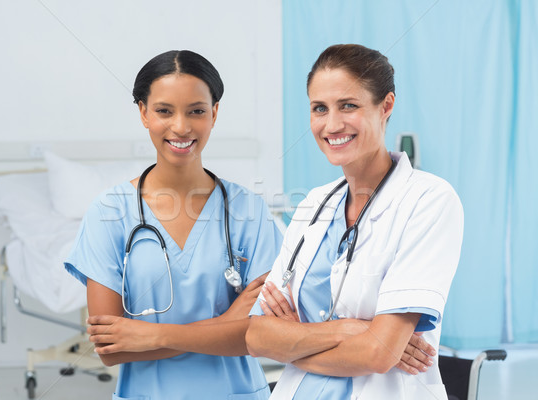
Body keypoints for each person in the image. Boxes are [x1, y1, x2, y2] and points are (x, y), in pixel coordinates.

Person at [245, 44, 464, 399]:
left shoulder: (429, 201)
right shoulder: (313, 205)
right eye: (320, 108)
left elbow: (379, 354)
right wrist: (351, 329)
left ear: (386, 106)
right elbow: (256, 338)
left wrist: (294, 341)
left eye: (349, 105)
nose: (332, 124)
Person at [65, 50, 282, 400]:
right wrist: (229, 322)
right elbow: (111, 350)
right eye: (164, 111)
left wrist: (154, 336)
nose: (181, 127)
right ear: (143, 113)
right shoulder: (109, 213)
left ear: (214, 112)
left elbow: (265, 335)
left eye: (196, 111)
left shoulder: (249, 212)